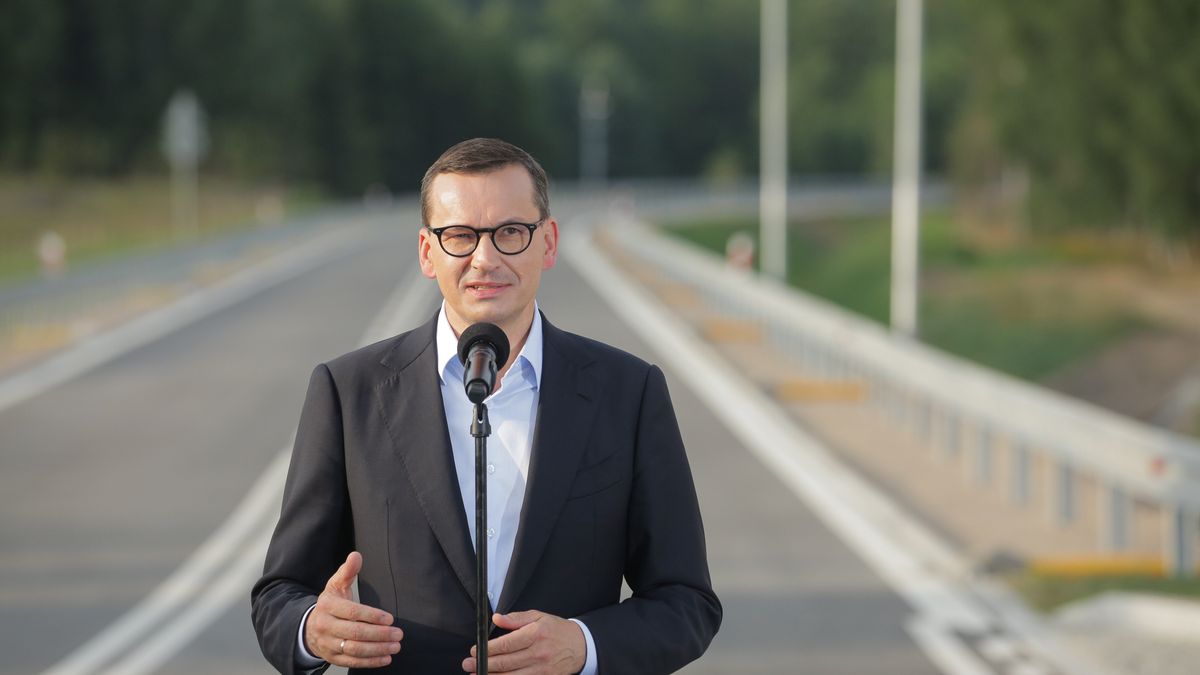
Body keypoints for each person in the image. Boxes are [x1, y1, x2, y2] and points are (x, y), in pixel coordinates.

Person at [251, 138, 721, 674]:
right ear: (428, 252)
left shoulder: (629, 392)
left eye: (510, 233)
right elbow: (278, 598)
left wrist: (584, 646)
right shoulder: (347, 391)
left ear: (548, 242)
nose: (485, 258)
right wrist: (313, 628)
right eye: (459, 236)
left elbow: (687, 602)